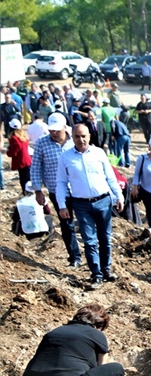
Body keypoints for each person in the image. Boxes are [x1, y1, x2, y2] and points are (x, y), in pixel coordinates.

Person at [15, 304, 124, 376]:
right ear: (99, 325)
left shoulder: (54, 332)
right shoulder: (97, 335)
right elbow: (101, 369)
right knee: (116, 369)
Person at [56, 124, 125, 290]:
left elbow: (110, 177)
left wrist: (119, 196)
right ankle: (96, 274)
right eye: (77, 137)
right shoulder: (65, 158)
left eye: (84, 136)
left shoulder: (98, 153)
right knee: (89, 241)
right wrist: (62, 205)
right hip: (81, 204)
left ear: (89, 136)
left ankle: (106, 270)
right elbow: (61, 183)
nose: (81, 140)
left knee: (105, 239)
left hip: (103, 201)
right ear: (72, 138)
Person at [31, 114, 81, 268]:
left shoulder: (76, 140)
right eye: (51, 130)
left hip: (79, 190)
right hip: (57, 192)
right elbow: (35, 167)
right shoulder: (41, 143)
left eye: (57, 130)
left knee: (86, 222)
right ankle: (75, 257)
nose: (54, 133)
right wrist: (38, 190)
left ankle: (93, 254)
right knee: (66, 224)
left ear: (65, 128)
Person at [6, 118, 31, 192]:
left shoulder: (14, 138)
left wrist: (8, 151)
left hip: (21, 162)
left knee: (24, 180)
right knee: (27, 179)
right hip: (27, 160)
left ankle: (26, 194)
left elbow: (14, 152)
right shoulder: (23, 136)